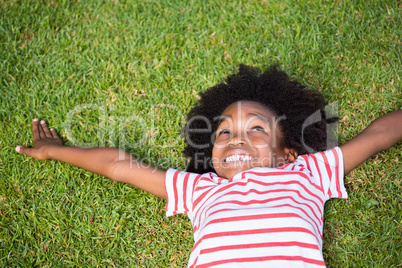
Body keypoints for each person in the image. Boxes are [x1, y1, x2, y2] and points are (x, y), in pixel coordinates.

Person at [15, 64, 402, 267]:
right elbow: (119, 165)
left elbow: (376, 136)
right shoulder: (201, 190)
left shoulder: (308, 173)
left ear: (288, 153)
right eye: (223, 133)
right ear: (211, 155)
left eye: (255, 129)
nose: (236, 139)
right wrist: (55, 151)